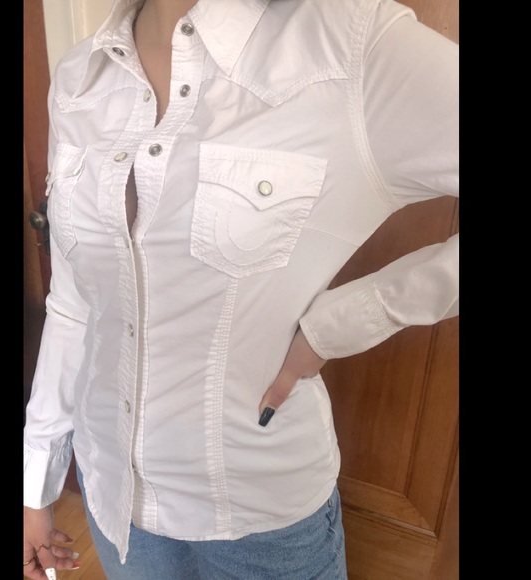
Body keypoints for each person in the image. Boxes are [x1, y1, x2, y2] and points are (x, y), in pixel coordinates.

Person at [23, 0, 459, 577]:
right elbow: (77, 305)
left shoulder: (353, 48)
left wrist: (340, 325)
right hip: (114, 506)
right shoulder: (81, 75)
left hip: (261, 526)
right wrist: (35, 485)